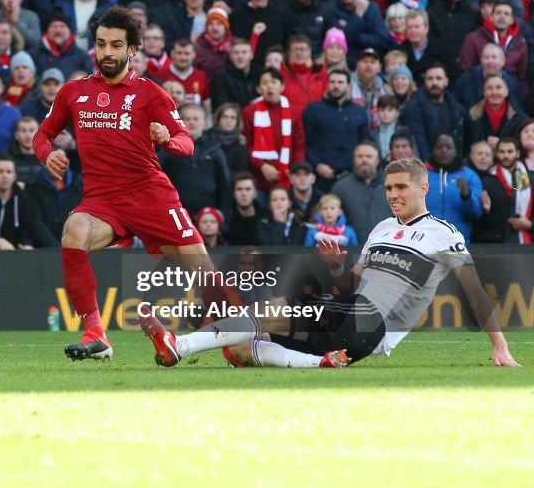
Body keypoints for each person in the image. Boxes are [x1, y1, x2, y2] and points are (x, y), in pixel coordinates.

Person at [142, 155, 520, 368]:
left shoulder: (444, 233)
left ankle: (181, 344)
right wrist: (338, 268)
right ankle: (323, 363)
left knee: (273, 308)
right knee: (242, 350)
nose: (393, 195)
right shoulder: (382, 229)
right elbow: (350, 288)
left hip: (373, 328)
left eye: (401, 187)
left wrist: (499, 346)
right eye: (389, 188)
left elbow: (473, 291)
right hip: (349, 314)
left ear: (423, 188)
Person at [33, 5, 240, 360]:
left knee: (201, 271)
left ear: (132, 50)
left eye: (116, 45)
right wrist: (47, 153)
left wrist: (166, 140)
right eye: (101, 44)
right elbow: (42, 135)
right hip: (102, 199)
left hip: (151, 196)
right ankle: (96, 334)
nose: (107, 52)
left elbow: (186, 142)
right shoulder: (73, 92)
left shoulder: (151, 94)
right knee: (73, 231)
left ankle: (233, 342)